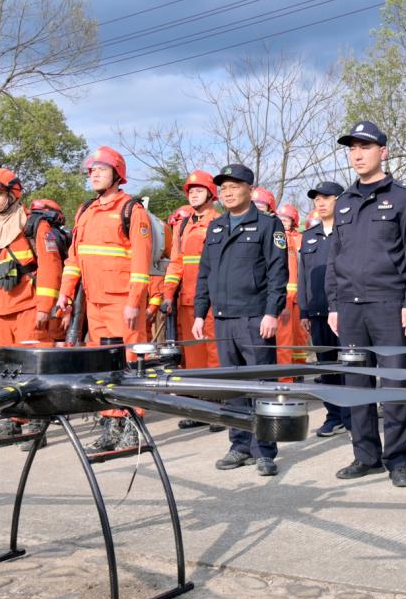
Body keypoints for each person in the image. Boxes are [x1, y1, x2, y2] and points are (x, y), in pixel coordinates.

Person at [325, 120, 406, 488]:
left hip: (389, 304)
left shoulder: (403, 199)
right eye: (352, 148)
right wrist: (333, 304)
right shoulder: (344, 203)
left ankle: (397, 459)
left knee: (394, 385)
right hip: (350, 308)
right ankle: (365, 456)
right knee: (355, 385)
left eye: (365, 147)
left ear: (382, 151)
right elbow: (335, 257)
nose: (357, 154)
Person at [192, 164, 289, 476]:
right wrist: (198, 311)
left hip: (255, 319)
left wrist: (272, 312)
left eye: (234, 186)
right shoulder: (216, 227)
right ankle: (239, 446)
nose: (228, 192)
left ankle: (265, 451)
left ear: (250, 188)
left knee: (262, 386)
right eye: (223, 188)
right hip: (223, 320)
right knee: (232, 387)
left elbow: (278, 273)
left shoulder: (268, 225)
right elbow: (204, 273)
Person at [57, 147, 155, 453]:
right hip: (95, 302)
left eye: (101, 168)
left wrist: (134, 301)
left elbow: (141, 262)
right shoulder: (86, 210)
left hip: (122, 303)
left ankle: (133, 425)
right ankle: (110, 425)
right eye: (91, 170)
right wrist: (65, 293)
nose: (95, 173)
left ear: (117, 174)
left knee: (128, 363)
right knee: (102, 366)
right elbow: (75, 258)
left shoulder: (131, 210)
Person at [0, 168, 64, 441]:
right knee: (6, 368)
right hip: (2, 308)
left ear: (12, 193)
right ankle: (11, 416)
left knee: (32, 367)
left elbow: (50, 266)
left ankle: (37, 419)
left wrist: (45, 306)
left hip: (30, 306)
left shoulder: (35, 225)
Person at [297, 181, 351, 437]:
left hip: (347, 310)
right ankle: (334, 415)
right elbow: (303, 275)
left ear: (339, 200)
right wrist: (304, 311)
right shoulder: (309, 236)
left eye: (326, 198)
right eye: (316, 199)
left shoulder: (350, 230)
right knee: (326, 366)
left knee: (351, 365)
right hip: (318, 312)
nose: (320, 203)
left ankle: (354, 415)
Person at [161, 171, 221, 374]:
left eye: (199, 190)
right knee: (193, 352)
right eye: (191, 191)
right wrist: (168, 294)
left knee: (215, 351)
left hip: (214, 301)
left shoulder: (221, 223)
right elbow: (176, 262)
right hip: (188, 301)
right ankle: (199, 393)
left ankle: (219, 395)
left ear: (211, 193)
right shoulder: (184, 225)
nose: (193, 195)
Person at [275, 202, 310, 367]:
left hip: (300, 297)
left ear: (294, 221)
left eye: (286, 219)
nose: (283, 221)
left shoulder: (301, 239)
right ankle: (286, 370)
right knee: (284, 337)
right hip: (284, 298)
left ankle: (299, 367)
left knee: (300, 335)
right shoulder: (275, 238)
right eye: (280, 218)